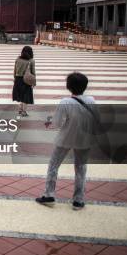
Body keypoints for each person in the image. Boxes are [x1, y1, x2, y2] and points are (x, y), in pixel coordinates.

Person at [36, 72, 98, 211]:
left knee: (53, 165)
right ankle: (78, 200)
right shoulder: (91, 101)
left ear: (68, 86)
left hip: (66, 138)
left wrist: (49, 121)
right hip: (84, 140)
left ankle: (49, 195)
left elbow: (57, 123)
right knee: (81, 168)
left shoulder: (65, 102)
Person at [13, 46, 36, 117]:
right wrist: (34, 82)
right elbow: (33, 72)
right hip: (26, 80)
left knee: (20, 95)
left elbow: (15, 70)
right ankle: (24, 111)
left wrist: (15, 78)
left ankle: (20, 109)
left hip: (18, 79)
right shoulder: (31, 60)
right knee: (26, 96)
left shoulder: (18, 59)